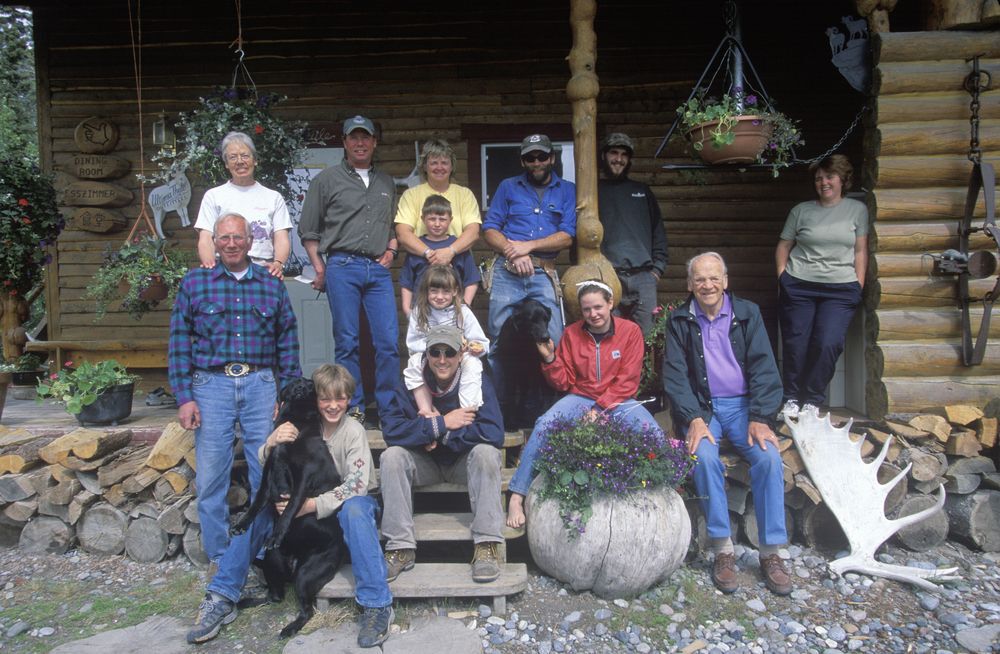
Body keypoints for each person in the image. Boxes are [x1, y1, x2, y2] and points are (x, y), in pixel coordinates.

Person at [167, 213, 301, 643]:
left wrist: (288, 392)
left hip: (262, 384)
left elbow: (287, 340)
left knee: (268, 475)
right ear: (215, 241)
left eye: (237, 237)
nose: (230, 243)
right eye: (223, 237)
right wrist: (184, 396)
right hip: (211, 386)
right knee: (211, 476)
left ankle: (261, 555)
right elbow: (179, 341)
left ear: (250, 240)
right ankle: (223, 560)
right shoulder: (195, 283)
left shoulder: (270, 283)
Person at [662, 252, 792, 596]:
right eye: (700, 279)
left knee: (767, 457)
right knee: (702, 457)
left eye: (714, 278)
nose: (707, 285)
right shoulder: (679, 320)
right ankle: (723, 548)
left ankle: (771, 552)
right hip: (704, 410)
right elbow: (675, 377)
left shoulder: (747, 314)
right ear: (690, 284)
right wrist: (692, 418)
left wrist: (762, 417)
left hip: (744, 407)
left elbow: (765, 367)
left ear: (726, 281)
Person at [505, 280, 658, 529]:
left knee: (652, 433)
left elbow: (628, 381)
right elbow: (564, 382)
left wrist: (600, 409)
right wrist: (550, 358)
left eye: (598, 307)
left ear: (610, 304)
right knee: (544, 424)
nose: (593, 314)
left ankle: (669, 494)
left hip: (618, 399)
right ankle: (517, 495)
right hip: (580, 397)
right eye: (587, 309)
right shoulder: (572, 333)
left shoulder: (630, 332)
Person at [260, 364, 393, 648]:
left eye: (341, 399)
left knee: (354, 509)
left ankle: (376, 603)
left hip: (353, 504)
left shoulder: (353, 430)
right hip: (308, 513)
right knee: (259, 511)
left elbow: (356, 483)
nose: (333, 406)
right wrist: (269, 444)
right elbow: (269, 463)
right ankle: (224, 589)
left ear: (349, 399)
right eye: (325, 399)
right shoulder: (304, 427)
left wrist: (311, 505)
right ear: (315, 400)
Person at [379, 324, 505, 583]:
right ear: (426, 355)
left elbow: (493, 432)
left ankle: (487, 546)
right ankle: (400, 547)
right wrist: (441, 424)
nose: (442, 359)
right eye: (435, 352)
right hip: (425, 462)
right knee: (391, 457)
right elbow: (391, 430)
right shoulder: (410, 381)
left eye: (449, 352)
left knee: (487, 454)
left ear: (461, 355)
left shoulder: (477, 380)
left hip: (462, 462)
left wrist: (446, 436)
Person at [299, 115, 400, 424]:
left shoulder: (386, 182)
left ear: (374, 142)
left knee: (388, 342)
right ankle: (353, 406)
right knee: (347, 341)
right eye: (353, 137)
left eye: (365, 137)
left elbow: (393, 227)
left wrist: (393, 251)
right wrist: (320, 268)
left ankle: (389, 409)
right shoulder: (326, 180)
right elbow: (309, 230)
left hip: (378, 270)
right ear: (344, 142)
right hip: (341, 266)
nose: (360, 143)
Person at [775, 154, 867, 418]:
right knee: (796, 344)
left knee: (828, 343)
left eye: (829, 177)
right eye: (818, 178)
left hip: (840, 289)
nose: (823, 182)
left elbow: (861, 250)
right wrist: (783, 277)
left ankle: (813, 400)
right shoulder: (801, 210)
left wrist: (858, 284)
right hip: (800, 285)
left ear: (842, 180)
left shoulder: (857, 210)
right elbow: (784, 245)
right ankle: (791, 398)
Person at [483, 133, 576, 356]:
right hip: (507, 269)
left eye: (542, 156)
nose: (537, 163)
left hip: (543, 271)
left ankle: (552, 391)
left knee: (553, 335)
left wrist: (529, 246)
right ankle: (500, 391)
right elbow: (489, 229)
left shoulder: (567, 190)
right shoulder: (508, 186)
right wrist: (513, 252)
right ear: (523, 161)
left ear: (552, 158)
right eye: (530, 158)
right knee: (498, 337)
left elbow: (567, 236)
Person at [194, 131, 292, 278]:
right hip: (224, 270)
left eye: (245, 156)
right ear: (226, 164)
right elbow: (206, 237)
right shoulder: (213, 196)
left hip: (264, 270)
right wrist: (210, 266)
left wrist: (278, 263)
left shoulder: (273, 198)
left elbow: (281, 237)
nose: (240, 161)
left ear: (255, 160)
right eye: (233, 157)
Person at [597, 132, 668, 335]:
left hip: (644, 276)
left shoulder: (642, 191)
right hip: (609, 277)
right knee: (612, 337)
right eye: (613, 153)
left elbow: (658, 231)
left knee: (645, 337)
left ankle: (645, 369)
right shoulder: (593, 192)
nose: (618, 159)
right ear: (604, 156)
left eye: (623, 154)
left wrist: (657, 270)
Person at [404, 265, 489, 414]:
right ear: (427, 291)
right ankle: (425, 409)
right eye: (434, 291)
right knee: (413, 362)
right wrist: (432, 347)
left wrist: (476, 347)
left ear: (455, 291)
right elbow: (413, 343)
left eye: (446, 291)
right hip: (431, 356)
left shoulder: (463, 312)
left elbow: (480, 341)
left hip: (457, 356)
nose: (440, 296)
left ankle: (468, 408)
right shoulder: (419, 312)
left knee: (473, 363)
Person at [394, 139, 482, 267]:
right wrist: (430, 254)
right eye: (434, 163)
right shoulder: (411, 195)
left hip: (457, 264)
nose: (439, 167)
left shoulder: (465, 195)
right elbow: (403, 233)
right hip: (422, 264)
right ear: (424, 166)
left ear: (452, 166)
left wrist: (450, 251)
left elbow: (473, 232)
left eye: (445, 163)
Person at [398, 194, 481, 315]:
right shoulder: (416, 247)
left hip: (453, 312)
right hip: (422, 311)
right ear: (423, 219)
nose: (437, 224)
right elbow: (406, 282)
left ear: (450, 220)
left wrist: (465, 307)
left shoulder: (459, 246)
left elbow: (471, 280)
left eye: (442, 219)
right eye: (432, 219)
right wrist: (407, 309)